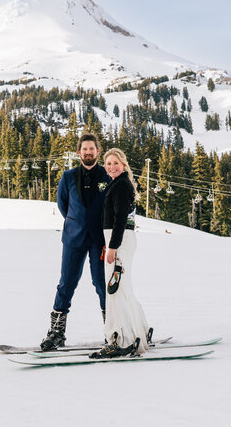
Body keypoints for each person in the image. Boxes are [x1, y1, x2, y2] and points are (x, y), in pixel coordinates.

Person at [40, 133, 111, 351]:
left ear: (98, 151)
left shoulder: (107, 176)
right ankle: (56, 333)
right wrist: (76, 222)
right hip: (73, 238)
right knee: (66, 284)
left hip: (100, 241)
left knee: (102, 285)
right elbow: (63, 205)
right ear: (79, 152)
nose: (88, 152)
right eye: (84, 149)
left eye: (92, 149)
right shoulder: (68, 176)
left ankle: (112, 331)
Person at [91, 148, 151, 358]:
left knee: (114, 290)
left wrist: (113, 247)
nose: (111, 167)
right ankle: (138, 332)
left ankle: (120, 339)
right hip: (119, 240)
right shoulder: (119, 184)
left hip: (120, 240)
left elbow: (120, 219)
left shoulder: (121, 186)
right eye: (108, 164)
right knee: (123, 288)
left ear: (123, 165)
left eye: (115, 163)